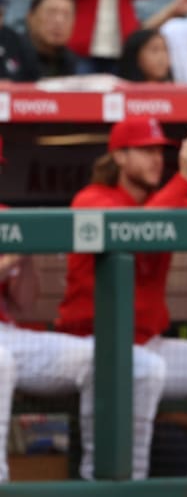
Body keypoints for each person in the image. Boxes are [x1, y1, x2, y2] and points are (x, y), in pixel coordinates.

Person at [61, 118, 187, 478]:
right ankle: (130, 482)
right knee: (147, 371)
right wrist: (185, 177)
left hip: (149, 344)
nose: (156, 160)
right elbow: (133, 231)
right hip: (96, 345)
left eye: (159, 152)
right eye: (146, 151)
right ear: (119, 157)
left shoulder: (168, 199)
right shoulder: (93, 198)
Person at [0, 134, 96, 483]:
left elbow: (24, 304)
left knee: (99, 357)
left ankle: (99, 481)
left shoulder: (5, 216)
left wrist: (24, 261)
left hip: (7, 333)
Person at [8, 0, 81, 80]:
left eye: (66, 15)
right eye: (51, 13)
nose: (59, 21)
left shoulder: (72, 61)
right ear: (30, 17)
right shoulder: (9, 53)